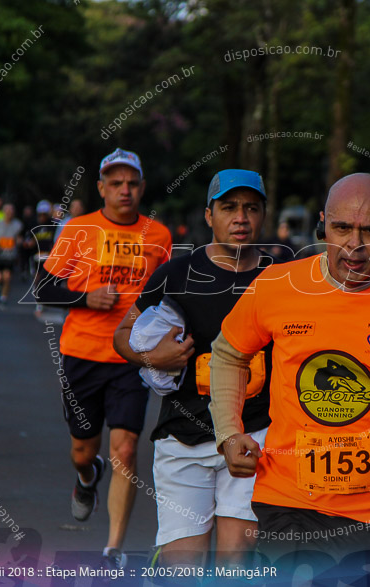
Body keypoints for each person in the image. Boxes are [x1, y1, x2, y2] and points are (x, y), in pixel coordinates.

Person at [208, 173, 370, 563]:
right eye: (342, 228)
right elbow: (229, 354)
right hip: (289, 502)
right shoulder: (278, 285)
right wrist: (229, 434)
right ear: (323, 225)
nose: (355, 245)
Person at [113, 169, 275, 569]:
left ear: (263, 216)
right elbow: (122, 335)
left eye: (251, 208)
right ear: (209, 215)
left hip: (254, 434)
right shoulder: (176, 274)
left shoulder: (280, 276)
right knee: (183, 565)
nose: (241, 218)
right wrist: (154, 358)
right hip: (184, 437)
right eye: (229, 208)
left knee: (236, 562)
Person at [34, 148, 172, 569]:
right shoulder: (78, 230)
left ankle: (112, 549)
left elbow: (168, 294)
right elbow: (42, 288)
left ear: (142, 188)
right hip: (82, 354)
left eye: (132, 183)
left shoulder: (159, 236)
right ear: (101, 188)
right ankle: (85, 476)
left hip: (131, 354)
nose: (124, 190)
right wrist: (85, 297)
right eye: (116, 183)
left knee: (127, 450)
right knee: (82, 448)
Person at [0, 203, 24, 303]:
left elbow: (21, 237)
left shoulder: (18, 225)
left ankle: (4, 297)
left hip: (11, 255)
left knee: (7, 277)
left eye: (11, 211)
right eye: (7, 211)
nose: (9, 213)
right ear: (3, 212)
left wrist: (19, 241)